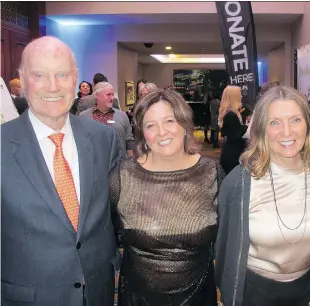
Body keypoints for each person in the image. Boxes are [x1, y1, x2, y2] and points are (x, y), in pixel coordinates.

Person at [1, 36, 122, 306]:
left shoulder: (104, 139)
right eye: (40, 75)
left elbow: (116, 210)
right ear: (22, 79)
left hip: (97, 294)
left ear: (76, 78)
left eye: (62, 74)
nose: (53, 86)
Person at [109, 88, 225, 305]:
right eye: (150, 125)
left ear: (184, 123)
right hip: (138, 297)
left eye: (169, 121)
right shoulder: (122, 177)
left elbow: (227, 237)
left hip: (199, 294)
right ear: (142, 133)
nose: (162, 132)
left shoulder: (212, 173)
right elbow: (104, 235)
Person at [216, 85, 310, 306]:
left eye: (295, 120)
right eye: (274, 122)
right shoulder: (240, 181)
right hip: (253, 294)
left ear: (309, 124)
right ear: (261, 129)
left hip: (308, 292)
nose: (286, 132)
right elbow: (223, 249)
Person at [79, 81, 135, 157]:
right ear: (97, 96)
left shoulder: (122, 115)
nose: (112, 98)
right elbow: (80, 142)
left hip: (119, 165)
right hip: (94, 165)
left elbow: (129, 141)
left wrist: (131, 162)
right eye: (108, 95)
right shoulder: (84, 116)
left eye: (112, 94)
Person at [218, 85, 247, 174]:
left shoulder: (233, 114)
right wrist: (247, 127)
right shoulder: (230, 115)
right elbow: (234, 135)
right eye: (239, 94)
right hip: (232, 155)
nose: (241, 96)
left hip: (233, 152)